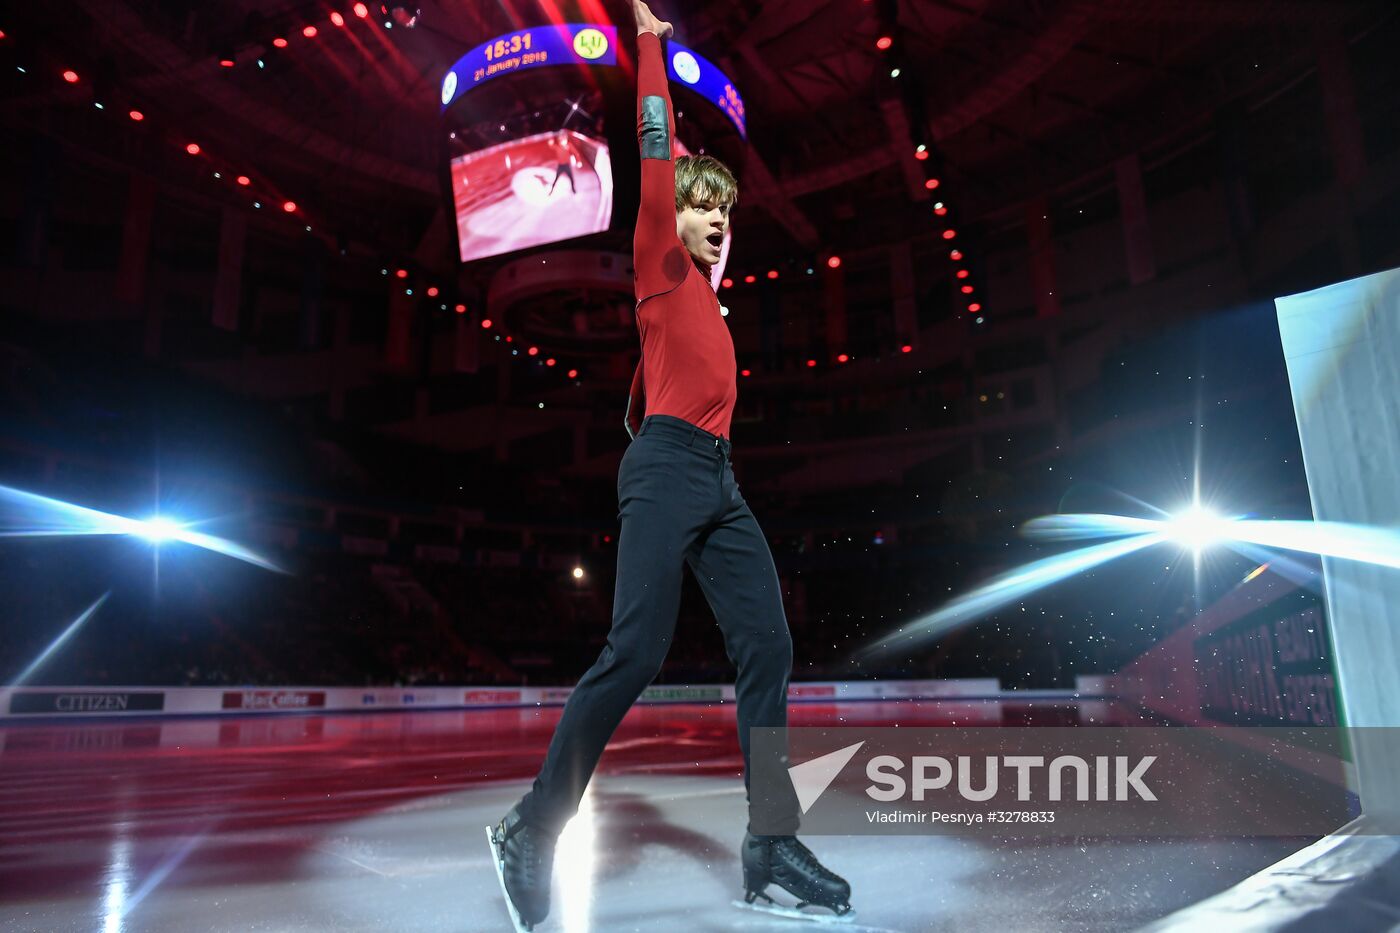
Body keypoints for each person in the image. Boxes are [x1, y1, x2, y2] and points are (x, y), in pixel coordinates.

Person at [487, 2, 851, 929]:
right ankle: (533, 826)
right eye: (705, 207)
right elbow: (657, 146)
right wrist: (649, 38)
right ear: (672, 216)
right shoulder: (658, 259)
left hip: (719, 479)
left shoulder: (711, 302)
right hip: (666, 467)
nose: (719, 221)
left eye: (727, 211)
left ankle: (770, 841)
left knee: (767, 642)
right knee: (636, 651)